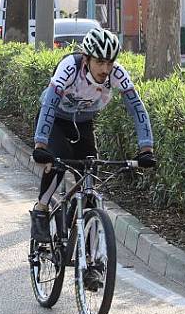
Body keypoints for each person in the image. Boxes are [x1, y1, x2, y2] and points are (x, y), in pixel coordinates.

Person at [30, 28, 156, 243]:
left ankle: (88, 252)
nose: (105, 69)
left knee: (90, 175)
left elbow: (137, 107)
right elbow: (50, 104)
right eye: (100, 62)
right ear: (87, 59)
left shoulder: (117, 73)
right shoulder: (70, 67)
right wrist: (41, 144)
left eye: (110, 63)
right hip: (57, 122)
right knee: (57, 163)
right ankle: (41, 209)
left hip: (84, 123)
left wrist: (146, 148)